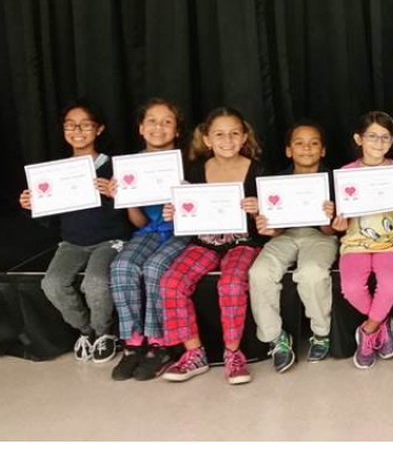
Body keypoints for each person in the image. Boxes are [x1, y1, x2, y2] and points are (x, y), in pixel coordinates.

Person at [19, 99, 136, 365]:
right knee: (52, 283)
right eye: (70, 125)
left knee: (95, 282)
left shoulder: (114, 167)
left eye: (85, 125)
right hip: (72, 242)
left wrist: (115, 195)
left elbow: (131, 213)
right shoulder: (56, 172)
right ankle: (86, 330)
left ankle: (105, 333)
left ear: (99, 129)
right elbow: (48, 219)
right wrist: (31, 205)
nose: (77, 131)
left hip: (110, 240)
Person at [159, 107, 267, 385]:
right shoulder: (197, 171)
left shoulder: (258, 171)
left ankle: (233, 353)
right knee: (171, 283)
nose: (227, 140)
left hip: (243, 243)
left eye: (234, 133)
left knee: (231, 284)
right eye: (219, 134)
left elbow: (271, 220)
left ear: (244, 137)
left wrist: (259, 209)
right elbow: (188, 209)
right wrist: (174, 212)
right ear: (207, 139)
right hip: (204, 242)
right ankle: (194, 353)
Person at [108, 98, 191, 381]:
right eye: (152, 121)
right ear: (141, 128)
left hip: (182, 233)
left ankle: (160, 344)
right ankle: (133, 343)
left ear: (177, 130)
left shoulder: (189, 164)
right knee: (122, 266)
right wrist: (126, 198)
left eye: (167, 122)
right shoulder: (130, 169)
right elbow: (140, 223)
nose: (159, 127)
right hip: (149, 231)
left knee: (155, 268)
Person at [248, 121, 338, 375]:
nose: (306, 148)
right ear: (289, 150)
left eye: (314, 143)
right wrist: (267, 227)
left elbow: (331, 231)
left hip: (319, 236)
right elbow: (274, 229)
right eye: (299, 143)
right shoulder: (276, 183)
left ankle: (321, 333)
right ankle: (276, 338)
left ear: (323, 150)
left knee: (312, 273)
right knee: (259, 272)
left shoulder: (333, 181)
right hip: (284, 236)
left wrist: (329, 220)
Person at [330, 111, 393, 370]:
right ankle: (382, 322)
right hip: (354, 243)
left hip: (391, 242)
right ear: (359, 139)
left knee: (389, 284)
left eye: (385, 137)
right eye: (372, 136)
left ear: (392, 141)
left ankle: (368, 330)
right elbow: (340, 217)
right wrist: (338, 225)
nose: (379, 142)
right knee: (351, 288)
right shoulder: (346, 173)